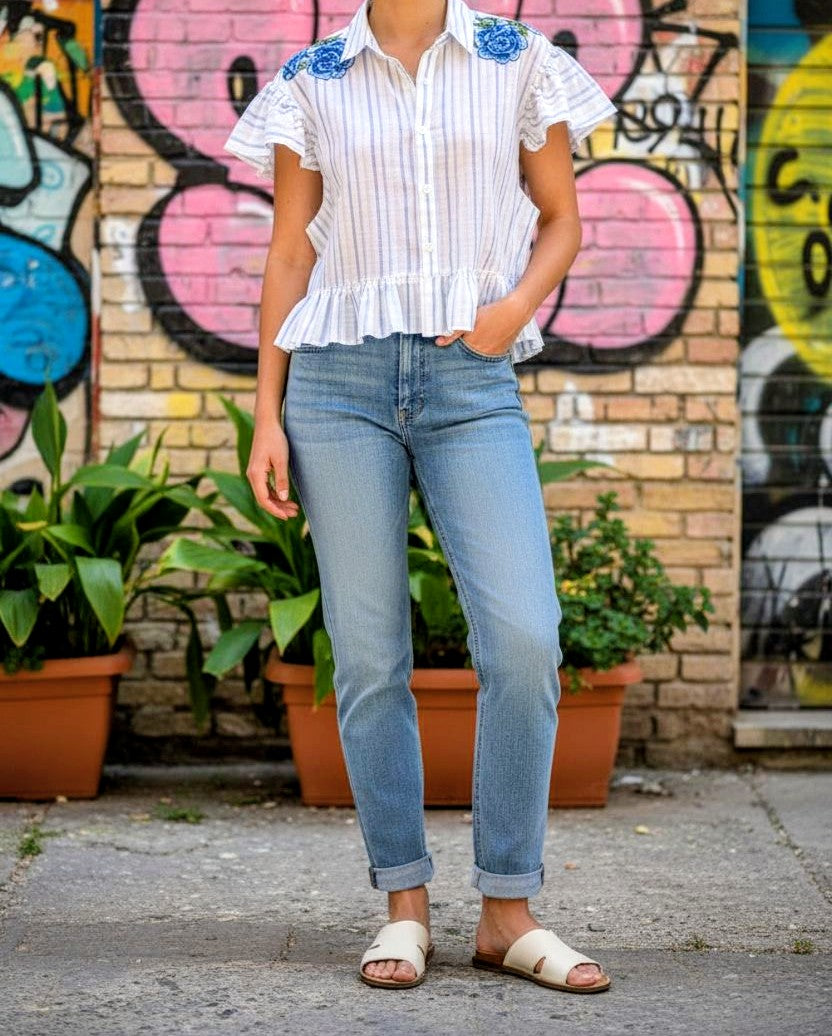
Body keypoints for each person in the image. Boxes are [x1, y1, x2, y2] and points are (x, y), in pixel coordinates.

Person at [223, 0, 617, 994]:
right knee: (365, 655)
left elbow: (564, 218)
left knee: (526, 637)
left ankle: (506, 911)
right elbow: (289, 250)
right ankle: (402, 904)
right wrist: (266, 414)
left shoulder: (516, 59)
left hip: (470, 380)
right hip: (335, 388)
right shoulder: (314, 76)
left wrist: (510, 314)